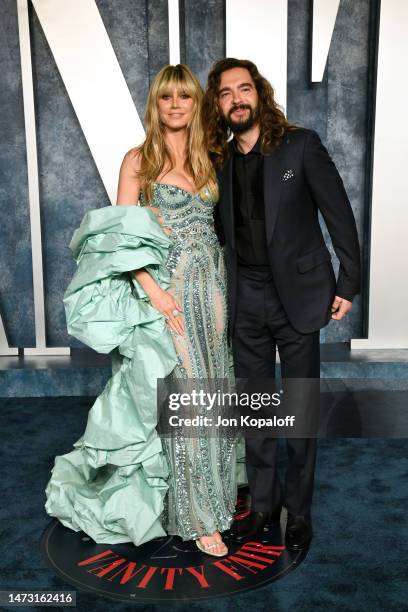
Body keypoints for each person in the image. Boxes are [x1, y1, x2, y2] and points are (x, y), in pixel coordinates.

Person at [45, 64, 238, 557]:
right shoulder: (139, 160)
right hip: (166, 296)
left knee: (215, 393)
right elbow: (117, 242)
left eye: (186, 98)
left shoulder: (212, 158)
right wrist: (155, 293)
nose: (176, 105)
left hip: (211, 291)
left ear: (197, 104)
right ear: (156, 103)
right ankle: (197, 520)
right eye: (167, 97)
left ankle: (213, 497)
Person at [202, 58, 361, 551]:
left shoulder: (301, 145)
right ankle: (264, 507)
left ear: (260, 93)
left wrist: (348, 282)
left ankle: (299, 512)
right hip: (244, 296)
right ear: (219, 104)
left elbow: (339, 214)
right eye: (226, 93)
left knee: (298, 408)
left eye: (243, 89)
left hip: (299, 294)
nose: (236, 100)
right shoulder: (220, 161)